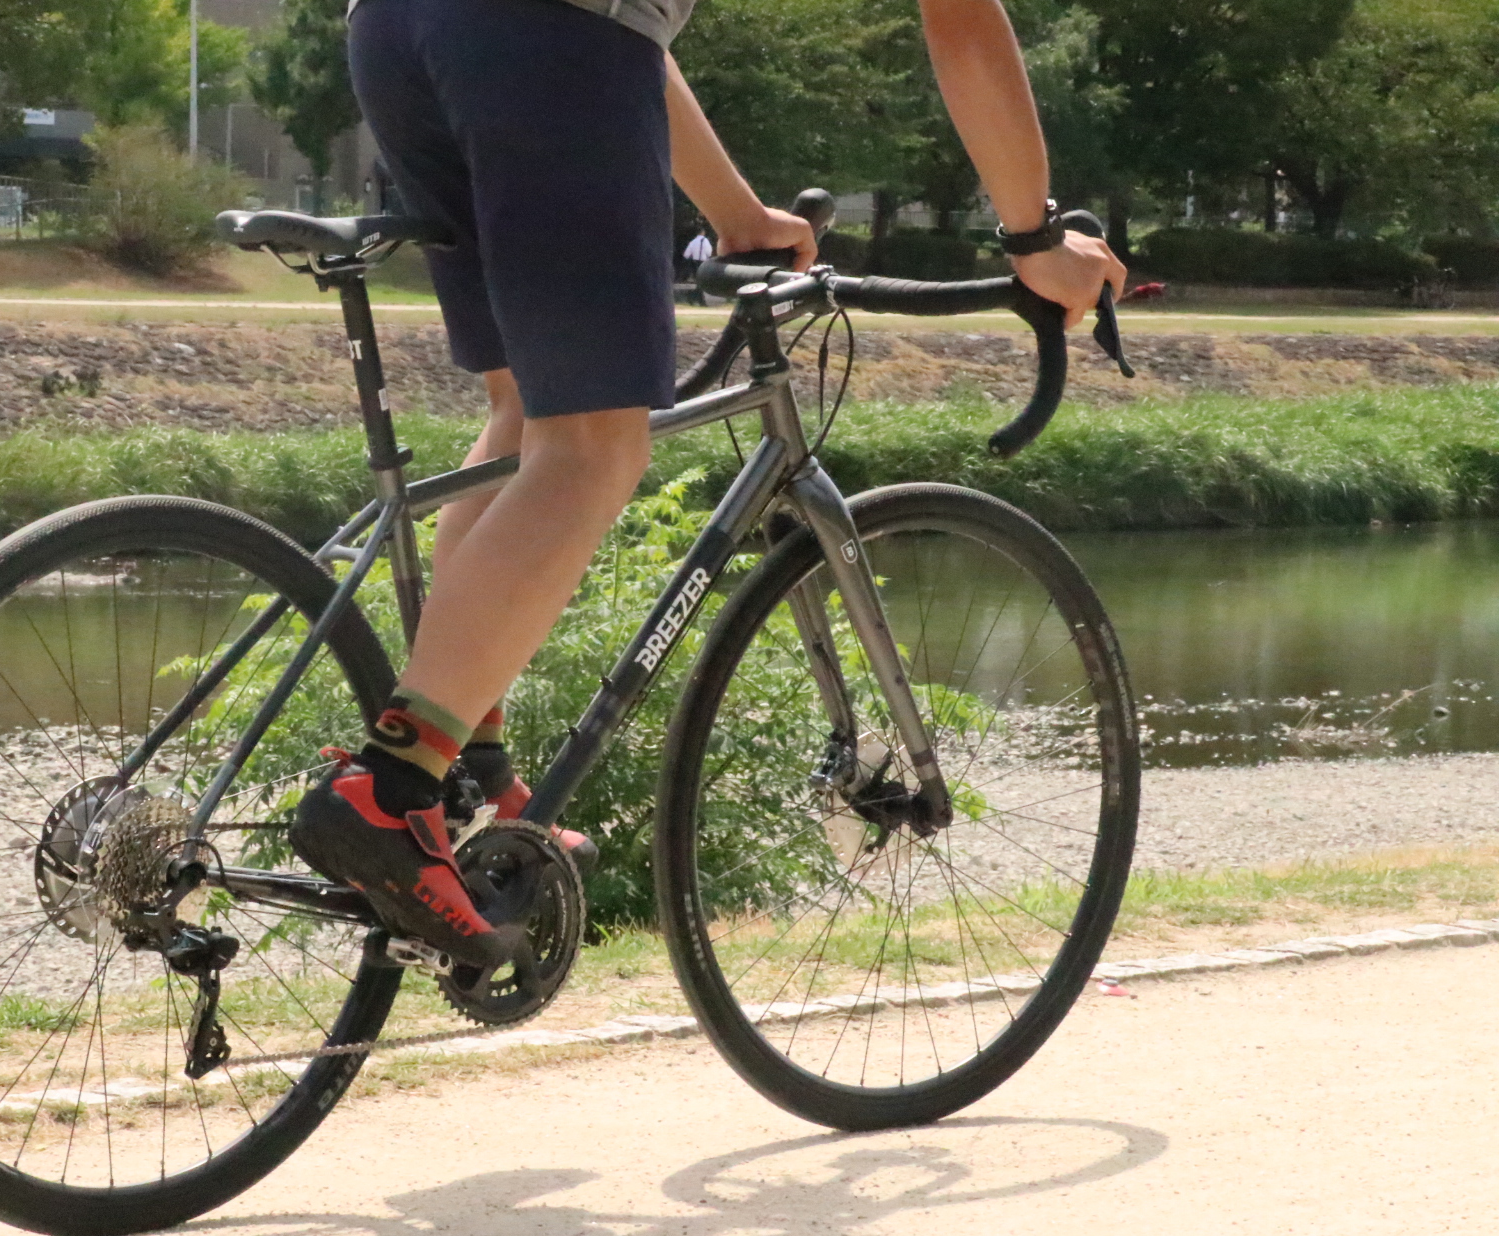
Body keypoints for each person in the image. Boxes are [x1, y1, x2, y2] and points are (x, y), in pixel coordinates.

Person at [289, 0, 1128, 969]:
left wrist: (735, 213)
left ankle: (470, 773)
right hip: (541, 37)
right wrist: (1033, 238)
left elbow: (634, 28)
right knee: (594, 448)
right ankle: (395, 784)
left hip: (400, 28)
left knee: (528, 411)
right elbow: (962, 18)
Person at [680, 226, 715, 303]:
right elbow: (709, 253)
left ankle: (694, 298)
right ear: (703, 233)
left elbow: (686, 254)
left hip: (694, 263)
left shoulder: (693, 241)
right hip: (702, 263)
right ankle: (699, 300)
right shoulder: (705, 241)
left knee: (698, 281)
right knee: (700, 282)